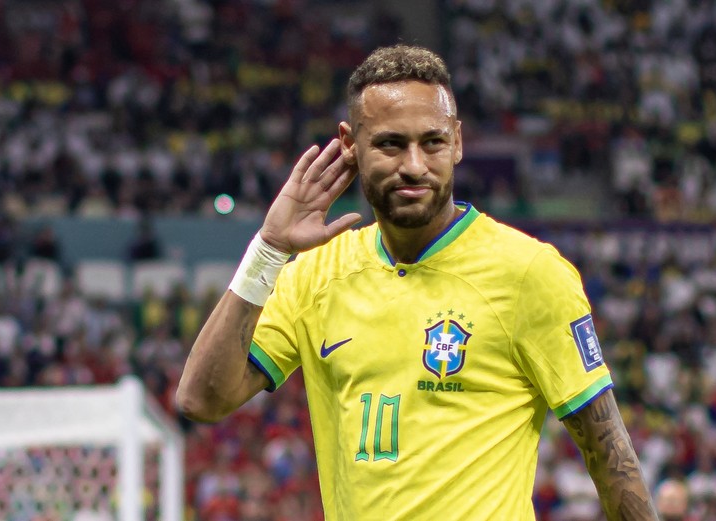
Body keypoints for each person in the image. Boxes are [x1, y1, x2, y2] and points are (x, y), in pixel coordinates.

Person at [177, 44, 658, 520]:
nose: (414, 165)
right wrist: (268, 250)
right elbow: (201, 399)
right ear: (349, 144)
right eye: (390, 143)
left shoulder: (530, 273)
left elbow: (610, 455)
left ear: (459, 141)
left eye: (432, 142)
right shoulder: (315, 273)